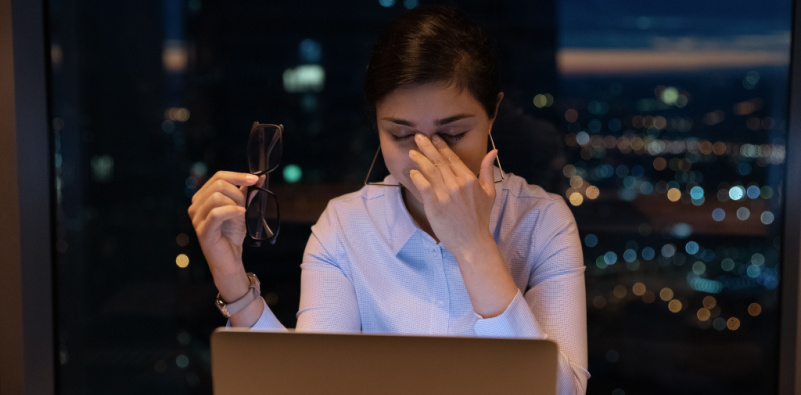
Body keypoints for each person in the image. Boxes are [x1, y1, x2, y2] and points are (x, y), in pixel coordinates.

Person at [188, 5, 589, 393]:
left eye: (452, 135)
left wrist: (474, 247)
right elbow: (311, 382)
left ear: (493, 113)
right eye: (400, 135)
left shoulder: (541, 222)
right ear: (376, 124)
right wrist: (233, 282)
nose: (426, 159)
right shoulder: (346, 227)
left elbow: (563, 392)